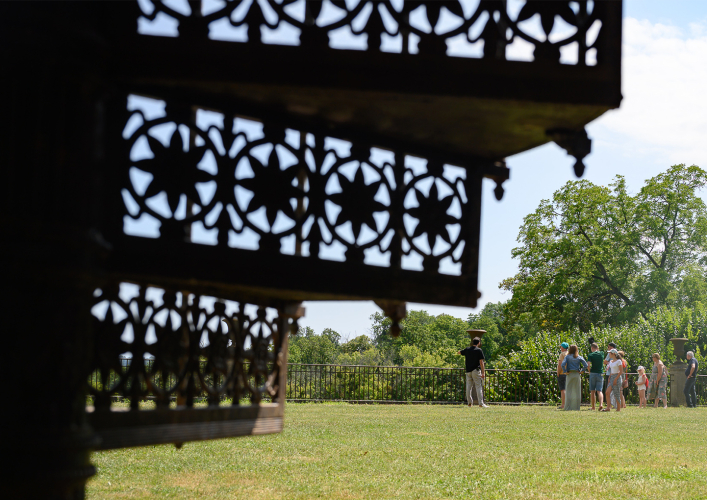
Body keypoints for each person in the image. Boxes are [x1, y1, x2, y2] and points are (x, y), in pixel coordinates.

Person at [459, 337, 489, 408]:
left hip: (468, 371)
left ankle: (469, 403)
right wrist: (483, 373)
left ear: (472, 342)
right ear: (479, 343)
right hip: (476, 370)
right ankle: (481, 404)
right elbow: (481, 362)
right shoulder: (479, 350)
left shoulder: (467, 349)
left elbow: (460, 352)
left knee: (468, 387)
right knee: (478, 386)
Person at [561, 344, 588, 411]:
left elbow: (562, 364)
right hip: (576, 374)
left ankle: (568, 407)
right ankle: (576, 407)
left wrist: (565, 371)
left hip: (569, 374)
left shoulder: (567, 357)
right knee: (577, 391)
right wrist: (582, 371)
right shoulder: (578, 357)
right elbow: (586, 365)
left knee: (569, 390)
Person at [586, 342, 605, 411]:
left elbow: (588, 365)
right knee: (599, 391)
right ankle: (601, 404)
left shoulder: (590, 355)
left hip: (593, 373)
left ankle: (593, 407)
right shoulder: (602, 353)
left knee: (592, 391)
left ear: (592, 348)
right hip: (600, 373)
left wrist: (589, 371)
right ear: (598, 348)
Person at [557, 342, 569, 409]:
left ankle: (563, 405)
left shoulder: (562, 354)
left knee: (563, 389)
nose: (560, 348)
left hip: (562, 373)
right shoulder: (569, 354)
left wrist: (558, 373)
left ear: (563, 347)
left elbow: (560, 365)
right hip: (568, 373)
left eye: (561, 347)